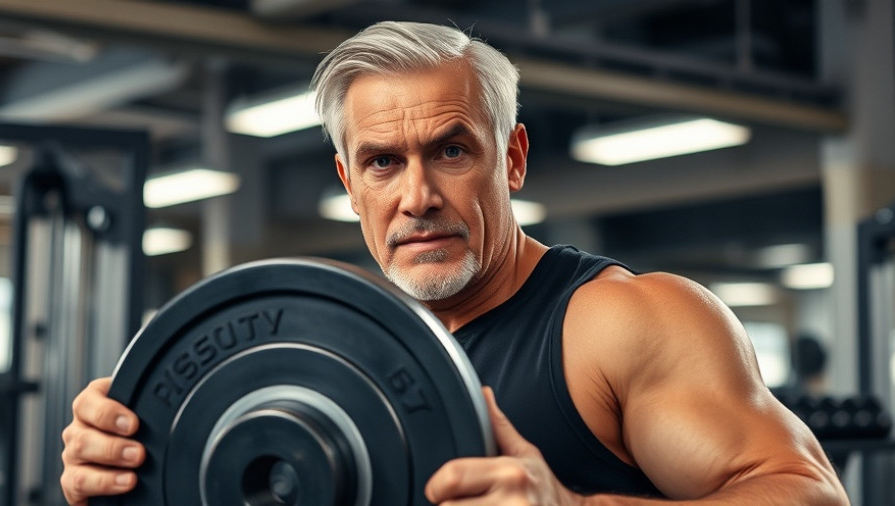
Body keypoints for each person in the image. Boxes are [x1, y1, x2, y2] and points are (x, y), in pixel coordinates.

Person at [60, 21, 850, 505]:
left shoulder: (619, 323)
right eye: (382, 163)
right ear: (349, 183)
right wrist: (126, 471)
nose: (418, 197)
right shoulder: (316, 356)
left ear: (512, 158)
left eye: (450, 151)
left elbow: (812, 496)